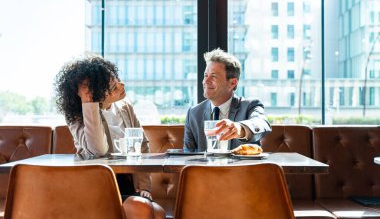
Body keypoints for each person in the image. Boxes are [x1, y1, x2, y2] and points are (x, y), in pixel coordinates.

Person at [55, 54, 165, 219]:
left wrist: (145, 187)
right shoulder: (78, 116)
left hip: (127, 181)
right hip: (96, 184)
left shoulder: (125, 107)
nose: (122, 85)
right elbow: (98, 149)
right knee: (141, 209)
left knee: (158, 212)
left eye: (117, 80)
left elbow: (142, 144)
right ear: (96, 94)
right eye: (113, 87)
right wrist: (88, 103)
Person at [184, 48, 272, 152]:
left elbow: (262, 123)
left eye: (214, 76)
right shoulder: (194, 113)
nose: (206, 81)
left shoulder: (250, 106)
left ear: (232, 83)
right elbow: (188, 155)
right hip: (204, 168)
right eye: (206, 75)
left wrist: (240, 128)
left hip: (240, 168)